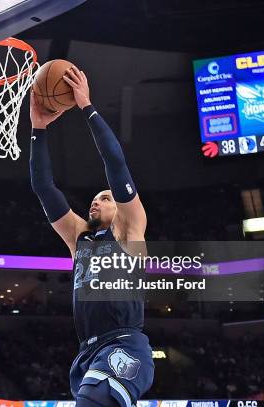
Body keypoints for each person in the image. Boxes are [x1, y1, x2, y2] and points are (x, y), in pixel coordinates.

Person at [29, 66, 154, 407]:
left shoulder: (130, 229)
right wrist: (38, 129)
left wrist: (87, 106)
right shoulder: (79, 239)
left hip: (124, 345)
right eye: (95, 197)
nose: (97, 200)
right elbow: (43, 187)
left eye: (107, 197)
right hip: (88, 352)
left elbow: (115, 163)